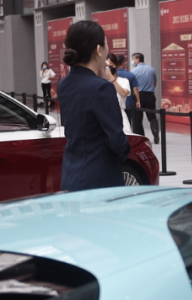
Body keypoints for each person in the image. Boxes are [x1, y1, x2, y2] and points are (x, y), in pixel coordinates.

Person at [57, 20, 129, 191]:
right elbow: (117, 140)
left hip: (70, 173)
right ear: (98, 49)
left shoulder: (64, 84)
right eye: (106, 44)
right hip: (99, 178)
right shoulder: (102, 88)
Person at [131, 53, 159, 144]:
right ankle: (155, 130)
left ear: (138, 59)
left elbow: (134, 87)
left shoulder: (134, 71)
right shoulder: (151, 69)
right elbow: (155, 82)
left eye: (134, 59)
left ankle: (141, 137)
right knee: (152, 117)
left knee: (137, 119)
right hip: (150, 95)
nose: (133, 61)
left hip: (138, 96)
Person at [116, 55, 142, 138]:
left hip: (117, 104)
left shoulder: (113, 75)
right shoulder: (130, 75)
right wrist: (138, 100)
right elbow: (135, 89)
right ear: (123, 63)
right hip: (129, 103)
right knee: (128, 122)